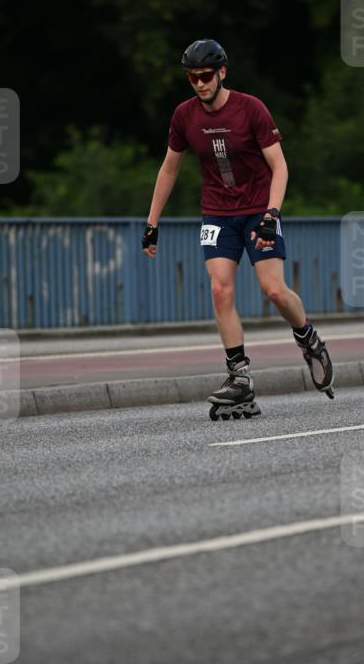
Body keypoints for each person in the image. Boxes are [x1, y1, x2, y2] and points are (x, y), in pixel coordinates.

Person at [142, 39, 333, 418]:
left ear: (222, 72)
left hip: (258, 211)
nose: (199, 83)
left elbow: (280, 166)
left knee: (274, 290)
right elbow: (169, 168)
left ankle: (309, 338)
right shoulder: (184, 116)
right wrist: (151, 222)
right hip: (217, 213)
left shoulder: (251, 109)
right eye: (193, 77)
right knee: (219, 288)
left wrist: (272, 213)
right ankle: (240, 378)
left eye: (206, 76)